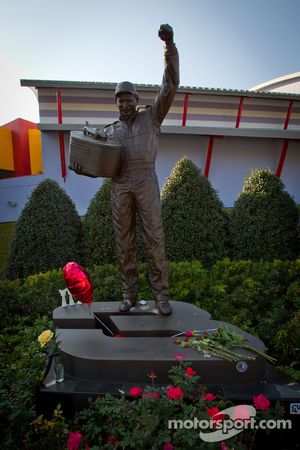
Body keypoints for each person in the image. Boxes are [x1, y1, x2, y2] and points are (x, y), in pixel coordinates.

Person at [76, 24, 179, 315]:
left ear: (136, 99)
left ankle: (161, 296)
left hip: (145, 178)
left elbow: (170, 83)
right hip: (120, 184)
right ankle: (129, 295)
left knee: (154, 237)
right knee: (124, 241)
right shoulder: (109, 131)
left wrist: (169, 47)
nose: (124, 103)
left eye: (128, 98)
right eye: (119, 99)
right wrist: (83, 167)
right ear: (116, 103)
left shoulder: (153, 116)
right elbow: (96, 162)